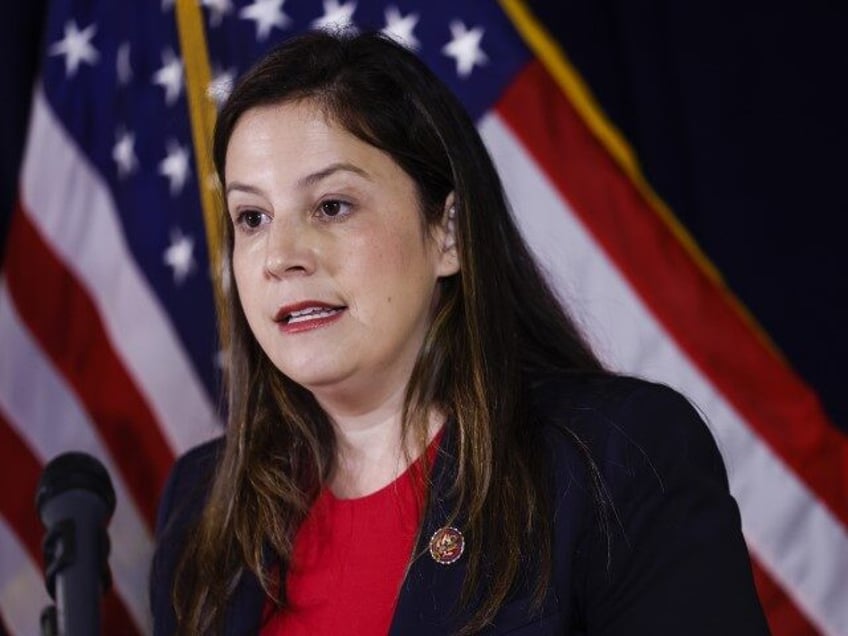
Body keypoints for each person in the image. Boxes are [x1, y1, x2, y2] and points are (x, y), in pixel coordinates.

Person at [150, 30, 770, 635]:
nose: (279, 255)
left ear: (448, 233)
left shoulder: (617, 458)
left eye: (332, 206)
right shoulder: (200, 508)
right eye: (252, 218)